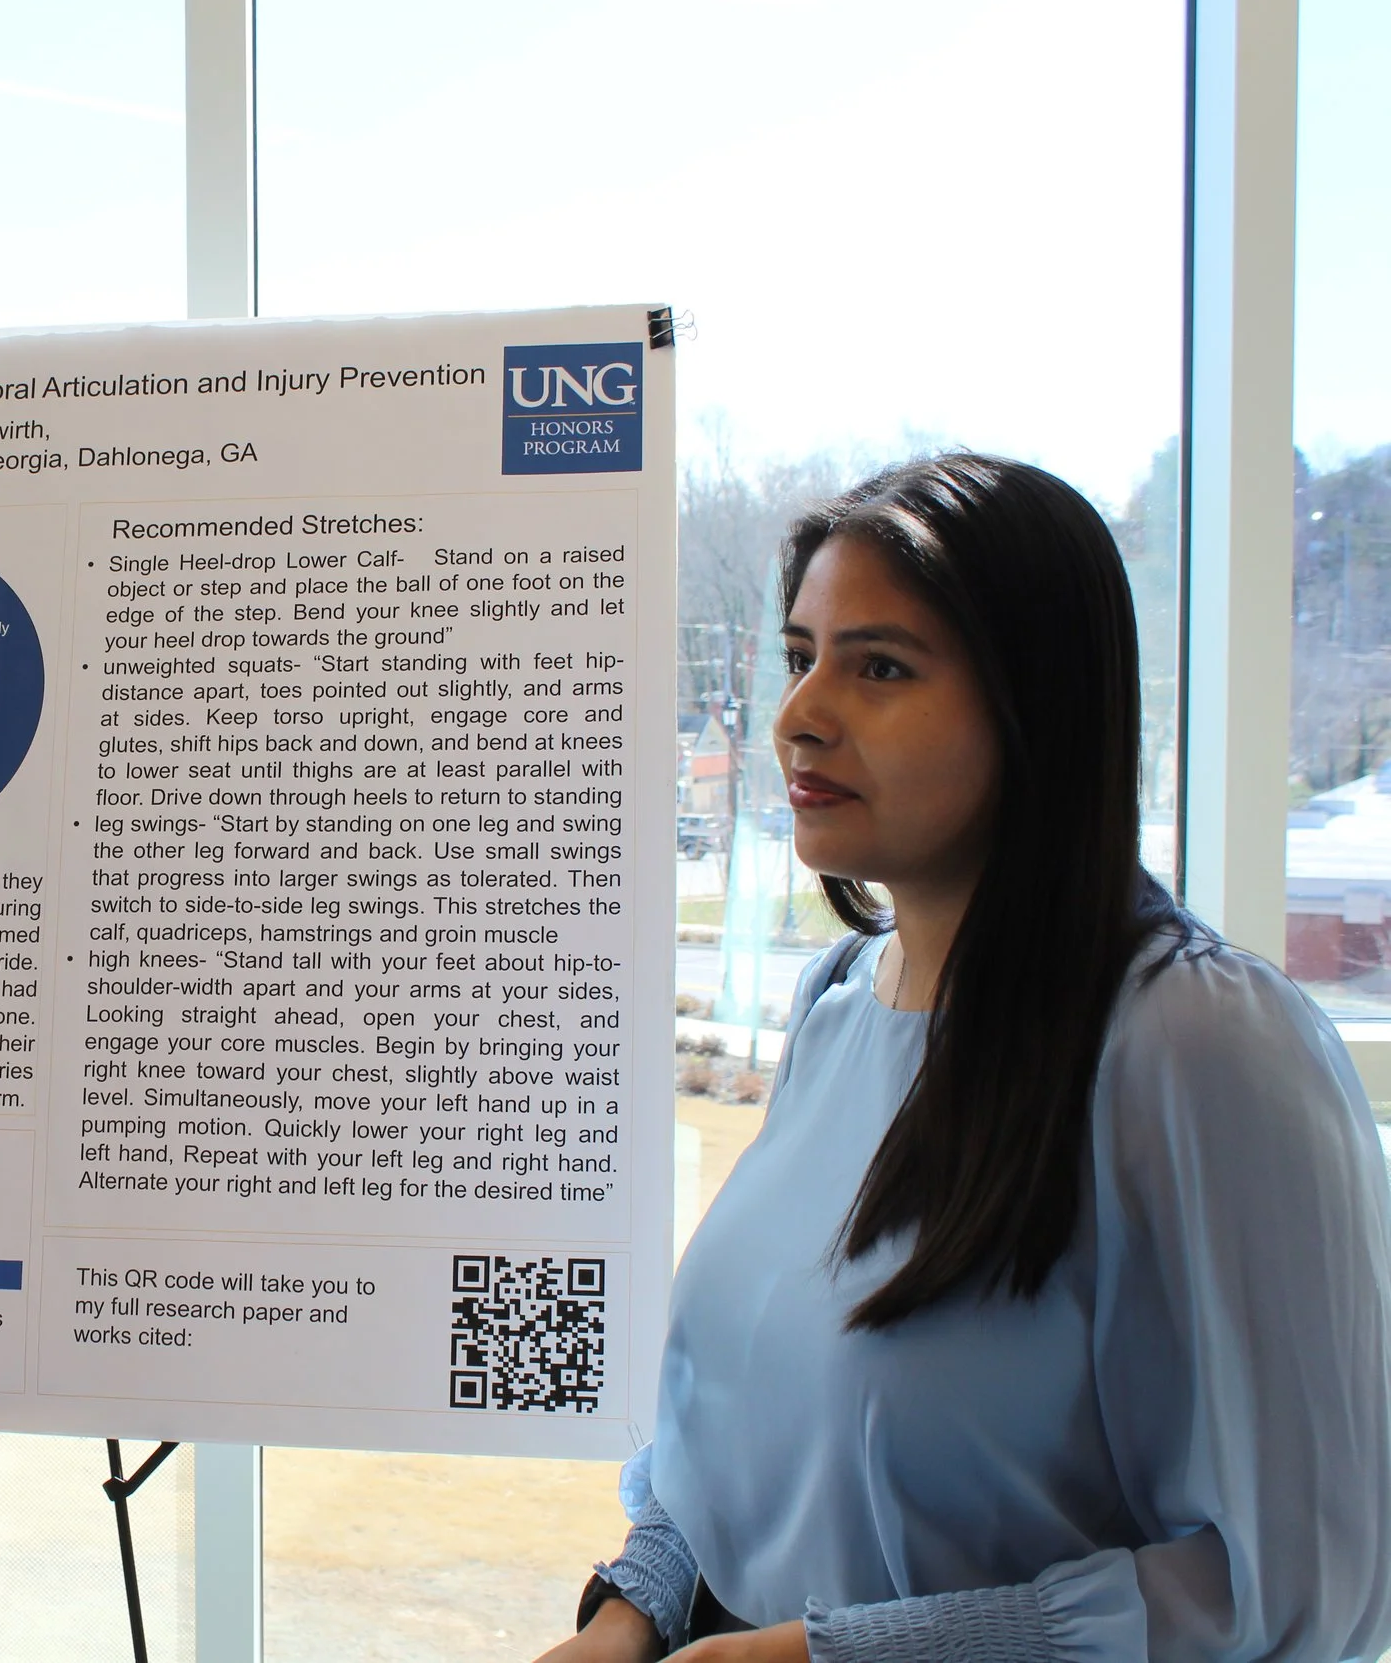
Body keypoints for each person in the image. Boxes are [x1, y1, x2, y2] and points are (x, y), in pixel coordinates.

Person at [539, 455, 1391, 1663]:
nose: (799, 714)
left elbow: (1303, 1588)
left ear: (1034, 705)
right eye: (799, 656)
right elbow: (731, 1448)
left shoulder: (1192, 1043)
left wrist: (839, 1654)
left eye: (879, 666)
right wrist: (632, 1609)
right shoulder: (834, 1003)